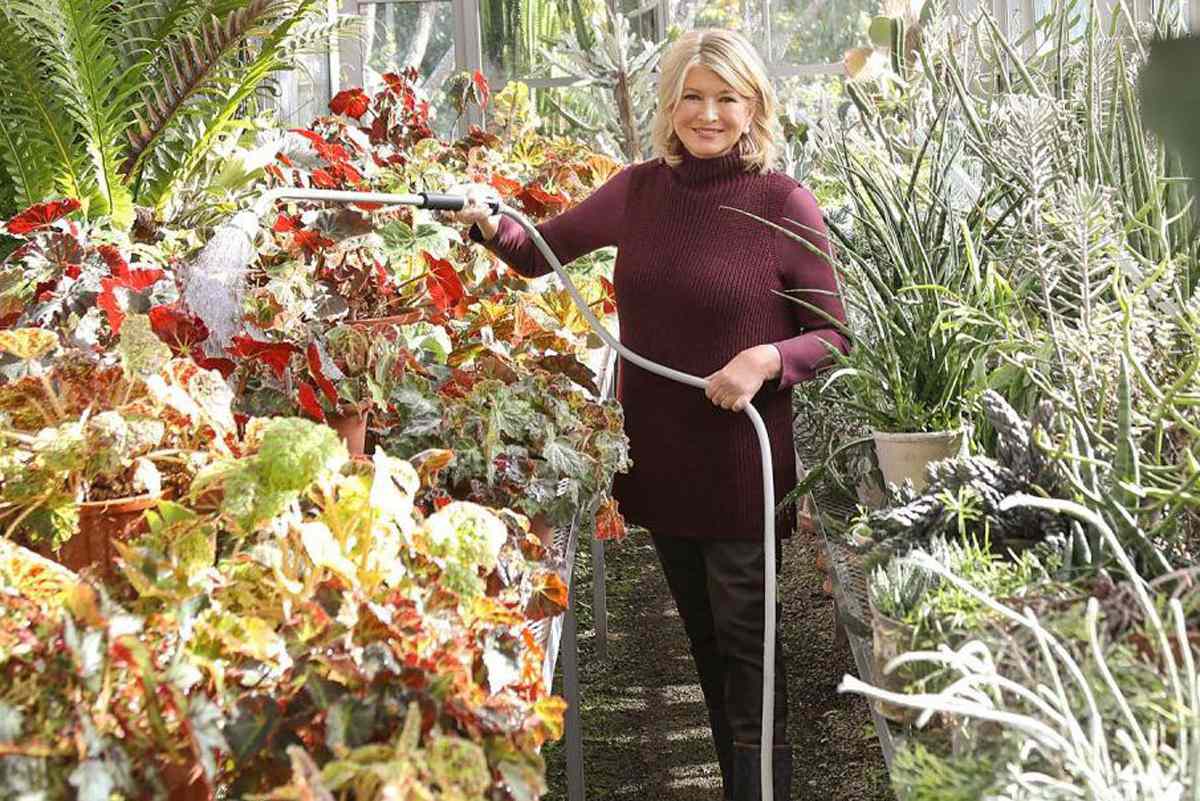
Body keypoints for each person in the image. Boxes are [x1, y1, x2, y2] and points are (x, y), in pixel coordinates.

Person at [447, 28, 849, 801]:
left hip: (742, 466)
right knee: (704, 644)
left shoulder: (783, 202)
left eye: (726, 98)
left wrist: (765, 360)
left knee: (750, 660)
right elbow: (538, 253)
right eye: (692, 96)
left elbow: (831, 333)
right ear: (669, 103)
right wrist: (487, 219)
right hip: (663, 466)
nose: (708, 114)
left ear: (754, 104)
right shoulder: (638, 189)